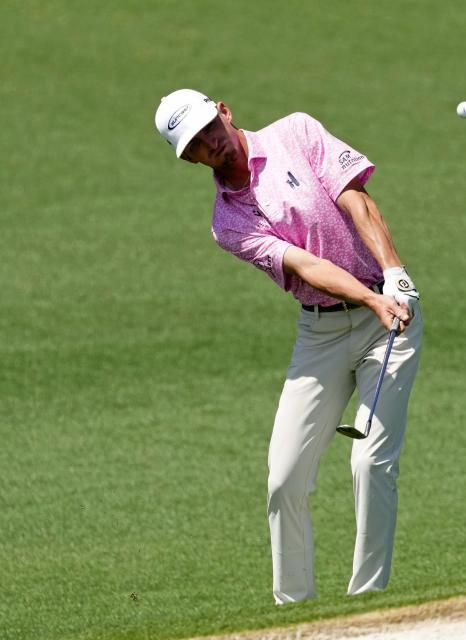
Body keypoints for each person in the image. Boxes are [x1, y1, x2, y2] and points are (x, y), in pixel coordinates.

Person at [153, 89, 423, 604]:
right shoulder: (227, 223)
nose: (213, 144)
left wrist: (393, 275)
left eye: (211, 127)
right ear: (190, 159)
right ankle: (293, 609)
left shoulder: (295, 132)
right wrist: (370, 297)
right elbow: (305, 266)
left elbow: (355, 197)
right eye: (199, 145)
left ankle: (368, 604)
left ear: (225, 111)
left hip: (390, 315)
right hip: (323, 331)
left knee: (369, 461)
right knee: (283, 478)